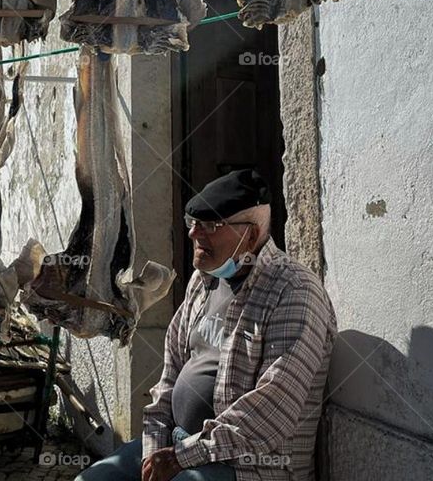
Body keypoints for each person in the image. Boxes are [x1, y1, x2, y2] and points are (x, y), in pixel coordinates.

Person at [76, 169, 337, 481]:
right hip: (177, 444)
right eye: (192, 223)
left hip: (246, 465)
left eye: (210, 225)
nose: (193, 234)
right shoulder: (205, 280)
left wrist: (180, 457)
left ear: (250, 235)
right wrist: (155, 447)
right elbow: (169, 377)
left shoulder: (293, 291)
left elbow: (271, 413)